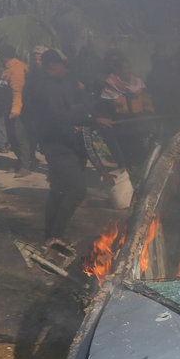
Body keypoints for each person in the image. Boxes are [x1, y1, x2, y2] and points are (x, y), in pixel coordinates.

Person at [24, 50, 112, 246]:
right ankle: (55, 234)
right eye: (62, 64)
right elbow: (58, 114)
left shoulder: (66, 82)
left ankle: (51, 235)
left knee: (59, 190)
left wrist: (96, 111)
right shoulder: (44, 86)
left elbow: (81, 103)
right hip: (56, 144)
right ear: (52, 66)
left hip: (72, 143)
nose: (66, 67)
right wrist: (91, 119)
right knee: (77, 189)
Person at [98, 51, 155, 174]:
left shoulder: (138, 82)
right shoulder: (110, 87)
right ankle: (128, 176)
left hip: (138, 125)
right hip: (120, 128)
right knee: (125, 156)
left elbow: (147, 102)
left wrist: (149, 118)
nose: (128, 71)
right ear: (117, 69)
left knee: (141, 155)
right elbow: (104, 110)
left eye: (129, 68)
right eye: (124, 68)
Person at [0, 45, 35, 177]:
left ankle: (26, 166)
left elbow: (17, 91)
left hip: (17, 111)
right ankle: (20, 163)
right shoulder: (6, 69)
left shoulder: (17, 68)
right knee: (12, 138)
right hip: (7, 109)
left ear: (3, 55)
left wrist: (15, 110)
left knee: (20, 138)